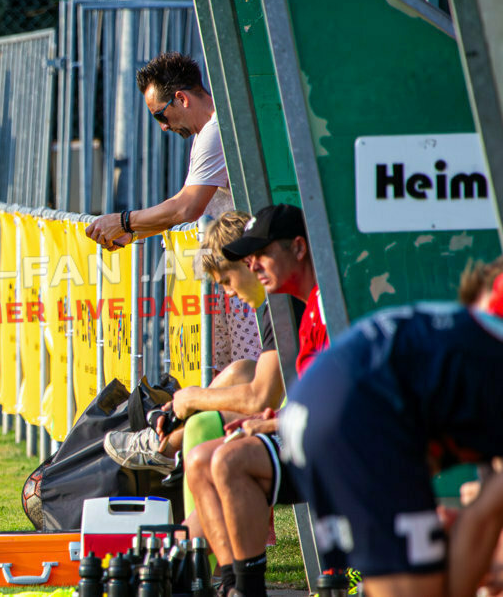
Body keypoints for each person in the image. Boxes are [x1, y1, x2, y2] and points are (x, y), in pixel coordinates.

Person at [279, 257, 503, 597]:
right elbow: (485, 513)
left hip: (319, 401)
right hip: (358, 411)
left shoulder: (461, 336)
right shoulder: (483, 356)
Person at [103, 210, 300, 566]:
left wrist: (193, 398)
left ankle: (179, 561)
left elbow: (262, 396)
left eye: (227, 280)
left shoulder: (283, 303)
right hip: (300, 421)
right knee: (239, 373)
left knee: (212, 459)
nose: (229, 292)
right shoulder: (278, 302)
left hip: (314, 432)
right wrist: (189, 401)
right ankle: (183, 560)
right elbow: (258, 383)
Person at [182, 203, 329, 597]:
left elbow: (268, 393)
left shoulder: (318, 304)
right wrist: (271, 419)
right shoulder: (302, 306)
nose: (254, 266)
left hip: (335, 443)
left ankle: (241, 587)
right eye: (249, 258)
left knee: (228, 458)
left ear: (298, 248)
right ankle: (230, 584)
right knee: (200, 459)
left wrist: (271, 419)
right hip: (310, 431)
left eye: (261, 254)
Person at [84, 51, 233, 250]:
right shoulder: (210, 129)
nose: (163, 127)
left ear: (181, 98)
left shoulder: (215, 131)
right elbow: (183, 200)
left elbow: (187, 208)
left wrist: (123, 222)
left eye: (160, 115)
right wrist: (133, 232)